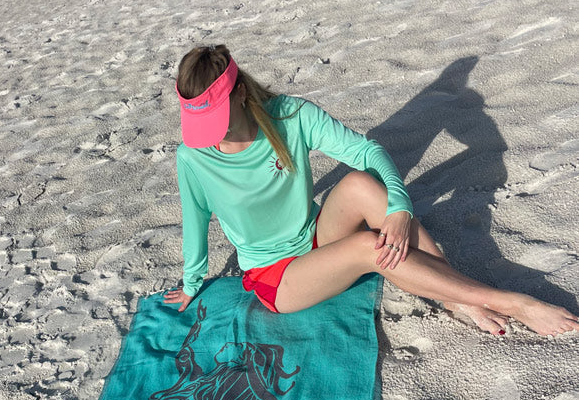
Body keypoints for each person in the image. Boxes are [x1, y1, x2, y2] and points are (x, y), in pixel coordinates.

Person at [164, 44, 579, 338]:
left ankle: (456, 298)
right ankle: (512, 302)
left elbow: (366, 151)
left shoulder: (291, 116)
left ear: (239, 93)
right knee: (368, 246)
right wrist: (191, 281)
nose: (206, 136)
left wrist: (399, 207)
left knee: (362, 184)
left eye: (214, 118)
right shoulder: (193, 157)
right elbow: (195, 222)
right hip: (278, 277)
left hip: (316, 237)